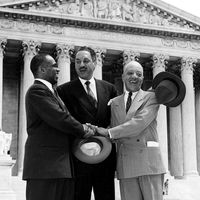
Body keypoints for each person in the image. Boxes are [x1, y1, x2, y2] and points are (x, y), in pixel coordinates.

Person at [22, 54, 94, 200]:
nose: (58, 69)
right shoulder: (37, 91)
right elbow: (60, 118)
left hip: (59, 168)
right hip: (45, 169)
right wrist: (83, 129)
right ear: (42, 69)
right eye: (54, 66)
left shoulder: (51, 92)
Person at [95, 60, 166, 200]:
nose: (134, 76)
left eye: (138, 74)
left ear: (142, 78)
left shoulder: (151, 97)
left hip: (149, 164)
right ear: (123, 77)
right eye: (130, 73)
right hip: (126, 165)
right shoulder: (114, 102)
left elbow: (139, 123)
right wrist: (95, 130)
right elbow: (116, 127)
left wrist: (109, 132)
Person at [57, 46, 117, 200]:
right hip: (78, 158)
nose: (81, 65)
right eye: (77, 62)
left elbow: (115, 120)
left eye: (85, 61)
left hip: (105, 157)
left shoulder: (109, 89)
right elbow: (64, 122)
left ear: (95, 62)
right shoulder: (64, 91)